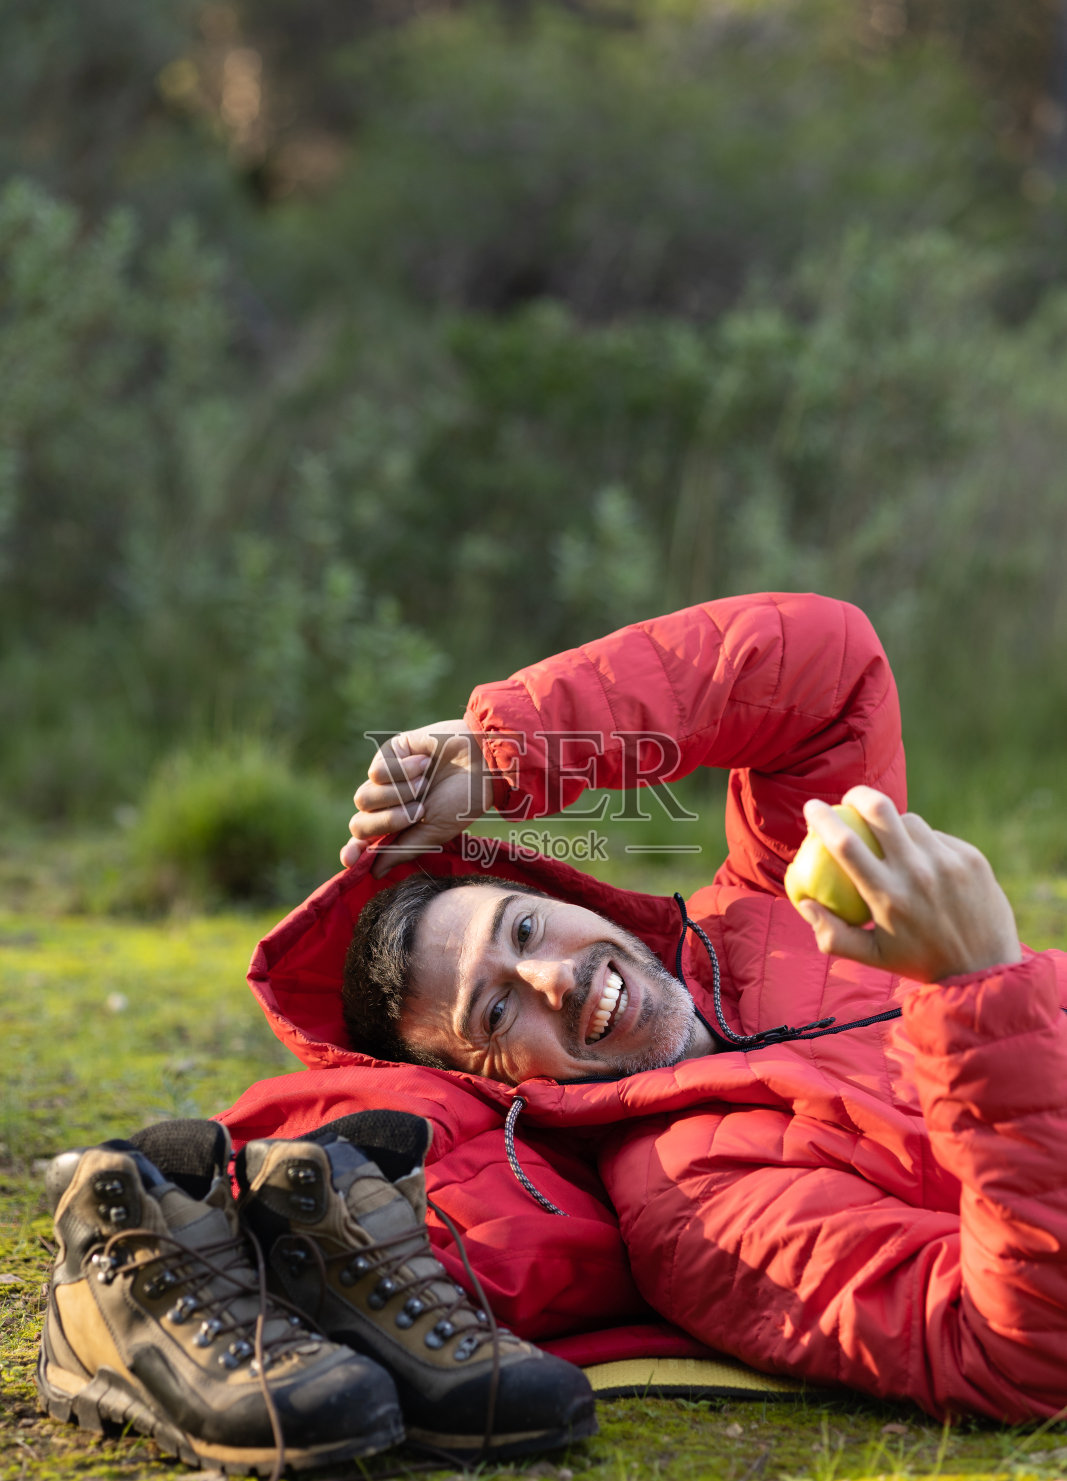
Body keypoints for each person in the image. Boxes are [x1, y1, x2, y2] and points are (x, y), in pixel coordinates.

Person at [220, 592, 1067, 1424]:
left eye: (524, 929)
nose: (555, 982)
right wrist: (975, 990)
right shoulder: (694, 1203)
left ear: (559, 894)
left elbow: (825, 663)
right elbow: (1016, 1346)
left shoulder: (769, 898)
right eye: (495, 1015)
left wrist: (511, 749)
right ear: (498, 1084)